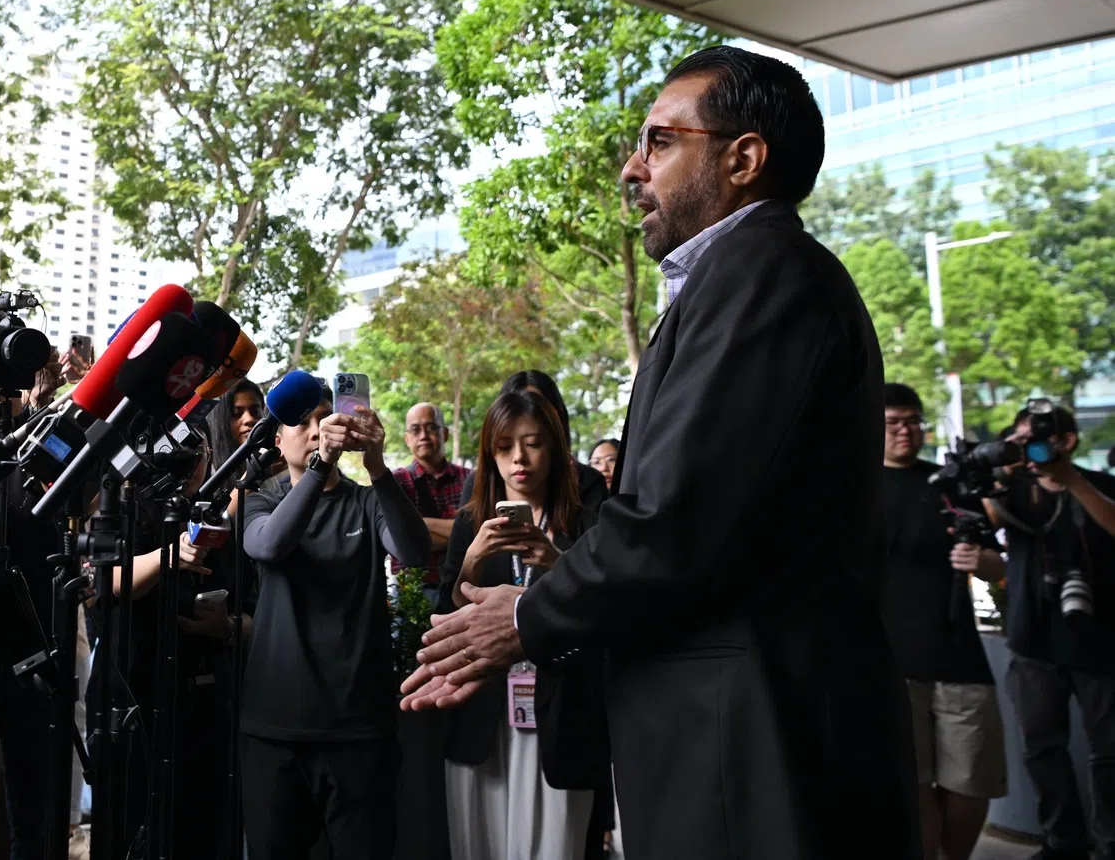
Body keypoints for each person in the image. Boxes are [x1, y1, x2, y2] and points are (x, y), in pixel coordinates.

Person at [402, 45, 919, 860]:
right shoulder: (735, 281)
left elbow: (674, 517)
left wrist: (532, 614)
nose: (630, 169)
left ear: (744, 157)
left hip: (754, 739)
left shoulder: (764, 274)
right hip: (726, 730)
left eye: (660, 142)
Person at [240, 387, 431, 860]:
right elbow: (269, 546)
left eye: (325, 418)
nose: (317, 429)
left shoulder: (367, 503)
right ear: (279, 441)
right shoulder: (258, 500)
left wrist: (379, 468)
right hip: (274, 730)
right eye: (301, 423)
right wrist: (322, 465)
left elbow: (413, 551)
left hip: (359, 733)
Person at [438, 390, 601, 860]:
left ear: (554, 448)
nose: (519, 459)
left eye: (532, 443)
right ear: (491, 454)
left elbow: (601, 608)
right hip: (482, 711)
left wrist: (557, 561)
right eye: (505, 446)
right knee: (479, 844)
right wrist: (471, 557)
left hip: (561, 709)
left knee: (555, 845)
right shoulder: (471, 522)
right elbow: (454, 607)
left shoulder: (588, 523)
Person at [85, 425, 245, 859]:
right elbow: (108, 580)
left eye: (200, 448)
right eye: (179, 449)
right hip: (133, 688)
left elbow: (252, 609)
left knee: (200, 827)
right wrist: (167, 555)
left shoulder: (223, 514)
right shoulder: (125, 504)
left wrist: (228, 624)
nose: (192, 459)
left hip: (204, 697)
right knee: (129, 824)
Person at [881, 383, 1007, 860]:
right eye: (893, 422)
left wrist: (981, 561)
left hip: (959, 656)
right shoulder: (853, 489)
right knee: (910, 776)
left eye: (913, 421)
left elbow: (999, 567)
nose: (905, 431)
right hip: (890, 659)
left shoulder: (951, 485)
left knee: (970, 780)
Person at [985, 405, 1115, 860]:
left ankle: (1110, 843)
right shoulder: (1013, 492)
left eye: (1039, 437)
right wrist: (1003, 473)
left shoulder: (1099, 484)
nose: (1030, 446)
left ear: (1069, 440)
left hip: (1099, 639)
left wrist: (1071, 480)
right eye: (1020, 438)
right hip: (1032, 639)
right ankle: (1063, 842)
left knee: (1110, 752)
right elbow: (988, 526)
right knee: (1042, 749)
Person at [0, 307, 65, 860]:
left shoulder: (39, 437)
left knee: (33, 813)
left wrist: (50, 405)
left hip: (32, 637)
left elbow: (69, 505)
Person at [459, 371, 608, 514]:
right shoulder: (477, 486)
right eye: (505, 446)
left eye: (533, 444)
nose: (519, 456)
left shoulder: (589, 482)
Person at [392, 402, 470, 601]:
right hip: (412, 593)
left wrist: (417, 523)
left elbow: (478, 532)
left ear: (445, 434)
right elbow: (402, 542)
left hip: (463, 587)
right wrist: (459, 532)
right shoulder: (395, 482)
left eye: (431, 427)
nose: (424, 436)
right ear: (407, 439)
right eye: (416, 430)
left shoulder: (470, 480)